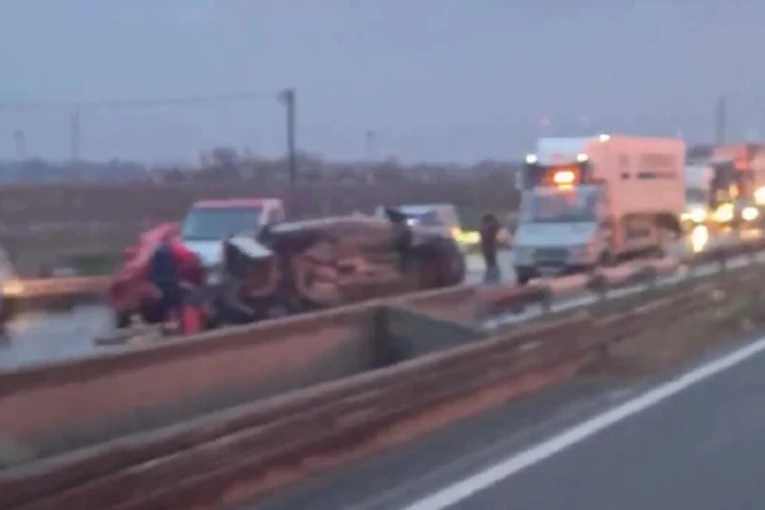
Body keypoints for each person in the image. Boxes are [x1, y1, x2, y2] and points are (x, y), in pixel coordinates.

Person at [480, 212, 501, 282]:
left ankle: (491, 275)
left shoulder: (487, 226)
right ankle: (493, 274)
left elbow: (484, 235)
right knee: (492, 260)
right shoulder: (493, 225)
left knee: (490, 261)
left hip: (487, 246)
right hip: (491, 246)